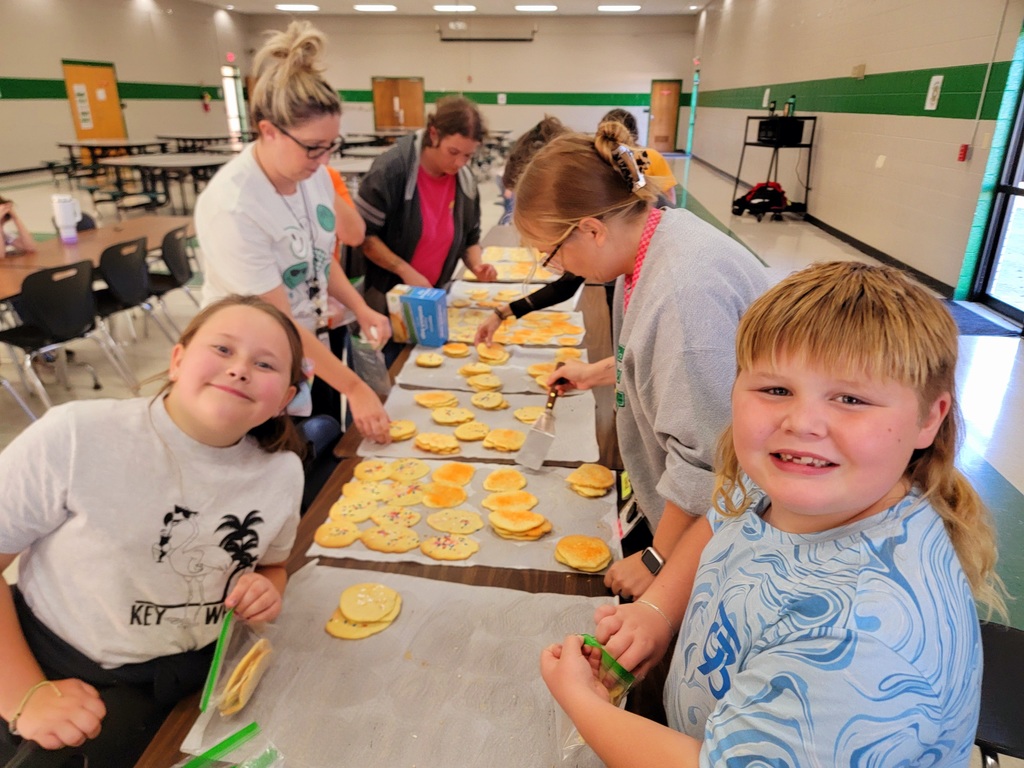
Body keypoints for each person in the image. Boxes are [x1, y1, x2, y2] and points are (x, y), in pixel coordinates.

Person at [540, 261, 1008, 767]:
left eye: (851, 398)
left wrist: (582, 704)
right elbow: (722, 518)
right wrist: (657, 612)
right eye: (776, 389)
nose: (802, 423)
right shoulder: (783, 480)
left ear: (928, 420)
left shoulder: (859, 642)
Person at [0, 295, 307, 766]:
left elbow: (274, 564)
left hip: (201, 677)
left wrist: (265, 588)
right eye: (223, 350)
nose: (241, 369)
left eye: (265, 364)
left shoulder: (282, 473)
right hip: (64, 675)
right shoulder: (78, 436)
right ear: (178, 359)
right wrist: (24, 696)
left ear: (285, 398)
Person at [514, 121, 769, 600]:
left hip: (719, 527)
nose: (557, 269)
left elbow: (709, 458)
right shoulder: (653, 240)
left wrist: (657, 559)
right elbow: (662, 360)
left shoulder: (682, 292)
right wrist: (598, 372)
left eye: (550, 255)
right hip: (695, 509)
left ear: (590, 230)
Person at [195, 21, 392, 443]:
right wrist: (354, 386)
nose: (322, 159)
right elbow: (278, 320)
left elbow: (320, 260)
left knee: (319, 446)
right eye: (312, 147)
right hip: (252, 364)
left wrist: (361, 308)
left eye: (330, 146)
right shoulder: (235, 206)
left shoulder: (313, 175)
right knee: (275, 455)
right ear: (268, 131)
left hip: (313, 345)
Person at [352, 95, 498, 324]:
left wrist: (477, 265)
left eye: (468, 156)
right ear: (434, 135)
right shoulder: (392, 171)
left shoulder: (465, 180)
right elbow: (363, 236)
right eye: (453, 152)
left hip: (433, 295)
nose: (460, 163)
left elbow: (470, 237)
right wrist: (404, 270)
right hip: (385, 300)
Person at [602, 108, 678, 206]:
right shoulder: (651, 156)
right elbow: (669, 196)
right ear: (634, 133)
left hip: (609, 217)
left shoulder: (598, 156)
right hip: (648, 216)